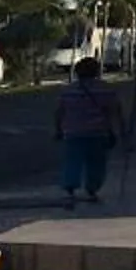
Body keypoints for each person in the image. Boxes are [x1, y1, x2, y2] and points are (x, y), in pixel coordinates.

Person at [54, 57, 124, 209]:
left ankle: (70, 187)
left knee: (72, 160)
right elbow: (115, 111)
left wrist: (58, 129)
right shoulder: (106, 89)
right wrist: (119, 130)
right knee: (97, 163)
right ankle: (92, 189)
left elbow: (59, 112)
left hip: (73, 132)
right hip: (99, 132)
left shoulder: (68, 90)